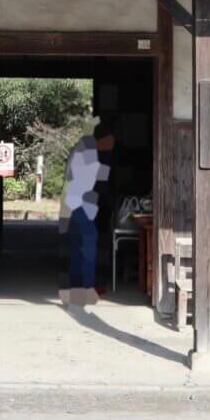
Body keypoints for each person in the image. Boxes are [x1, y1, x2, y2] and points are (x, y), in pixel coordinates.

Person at [59, 118, 115, 306]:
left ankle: (77, 287)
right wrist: (106, 161)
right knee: (88, 246)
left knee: (77, 246)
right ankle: (86, 288)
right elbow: (101, 180)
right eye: (110, 139)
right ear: (103, 138)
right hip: (81, 203)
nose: (112, 143)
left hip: (74, 202)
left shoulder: (82, 147)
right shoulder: (89, 151)